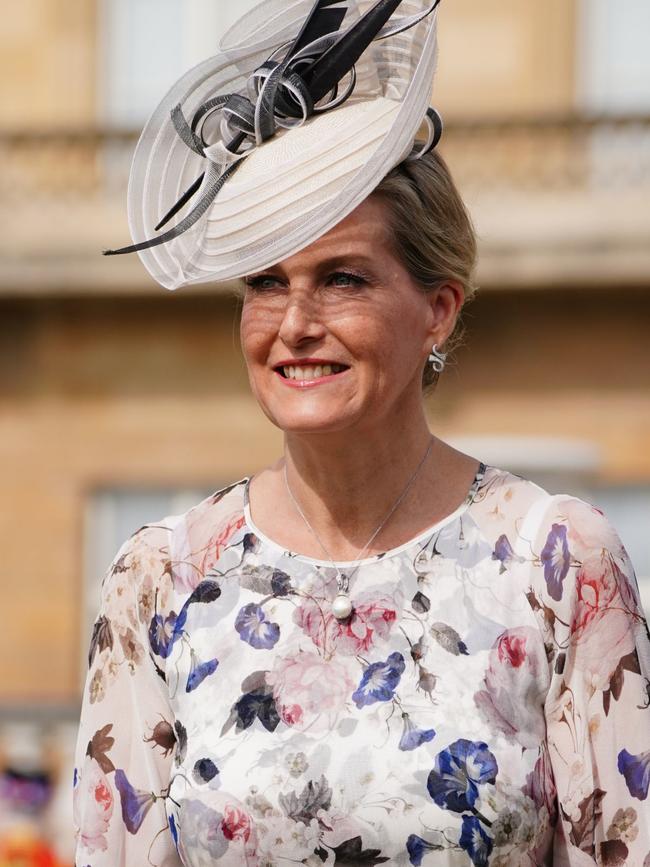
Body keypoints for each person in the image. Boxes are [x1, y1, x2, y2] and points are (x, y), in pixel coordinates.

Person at [73, 1, 650, 864]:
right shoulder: (160, 578)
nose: (295, 323)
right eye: (266, 282)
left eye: (342, 279)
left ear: (437, 311)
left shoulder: (557, 562)